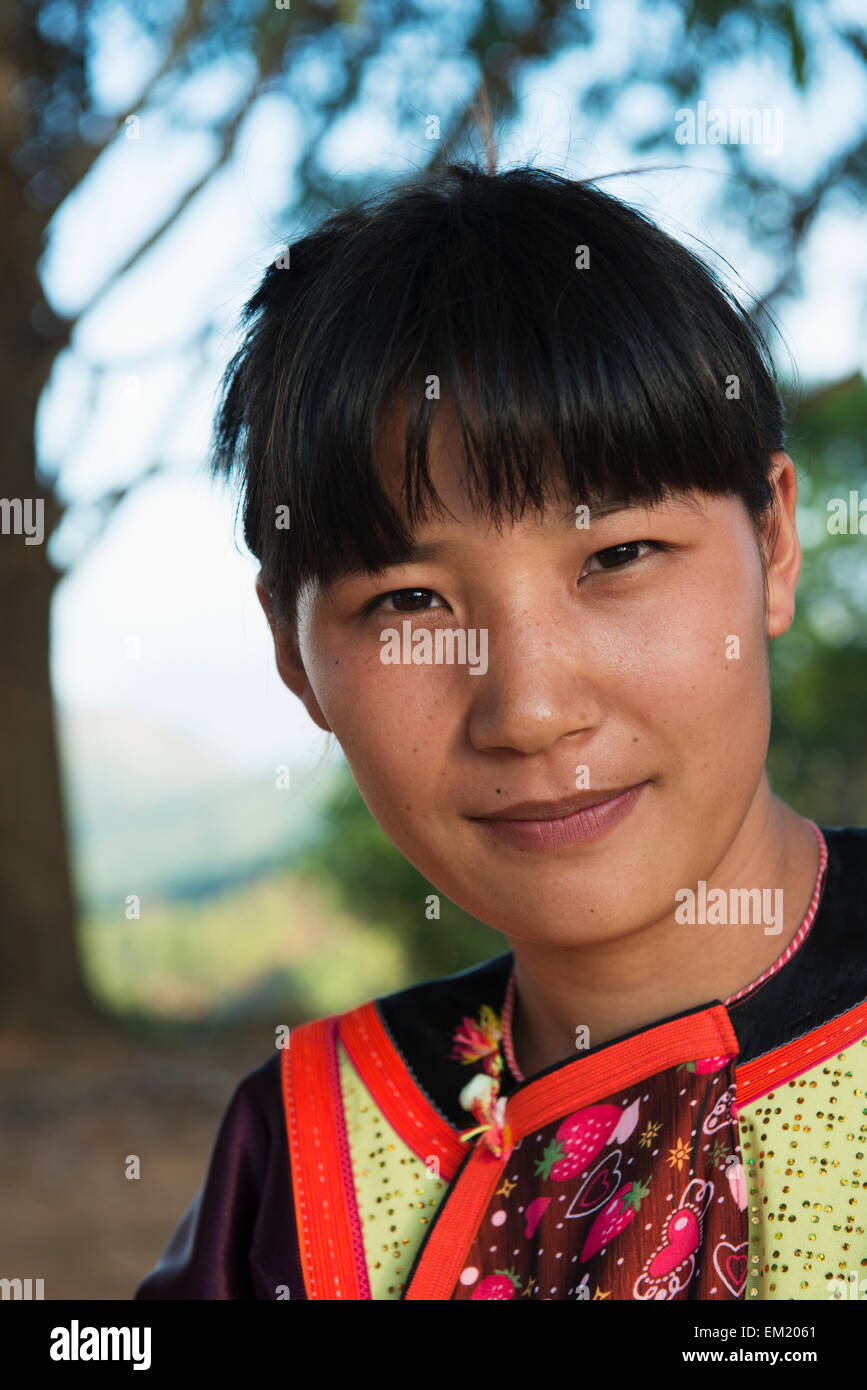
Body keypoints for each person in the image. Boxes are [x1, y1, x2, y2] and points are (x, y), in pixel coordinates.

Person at [135, 162, 867, 1301]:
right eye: (408, 603)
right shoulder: (304, 1147)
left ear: (773, 543)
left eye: (617, 556)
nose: (527, 709)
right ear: (293, 654)